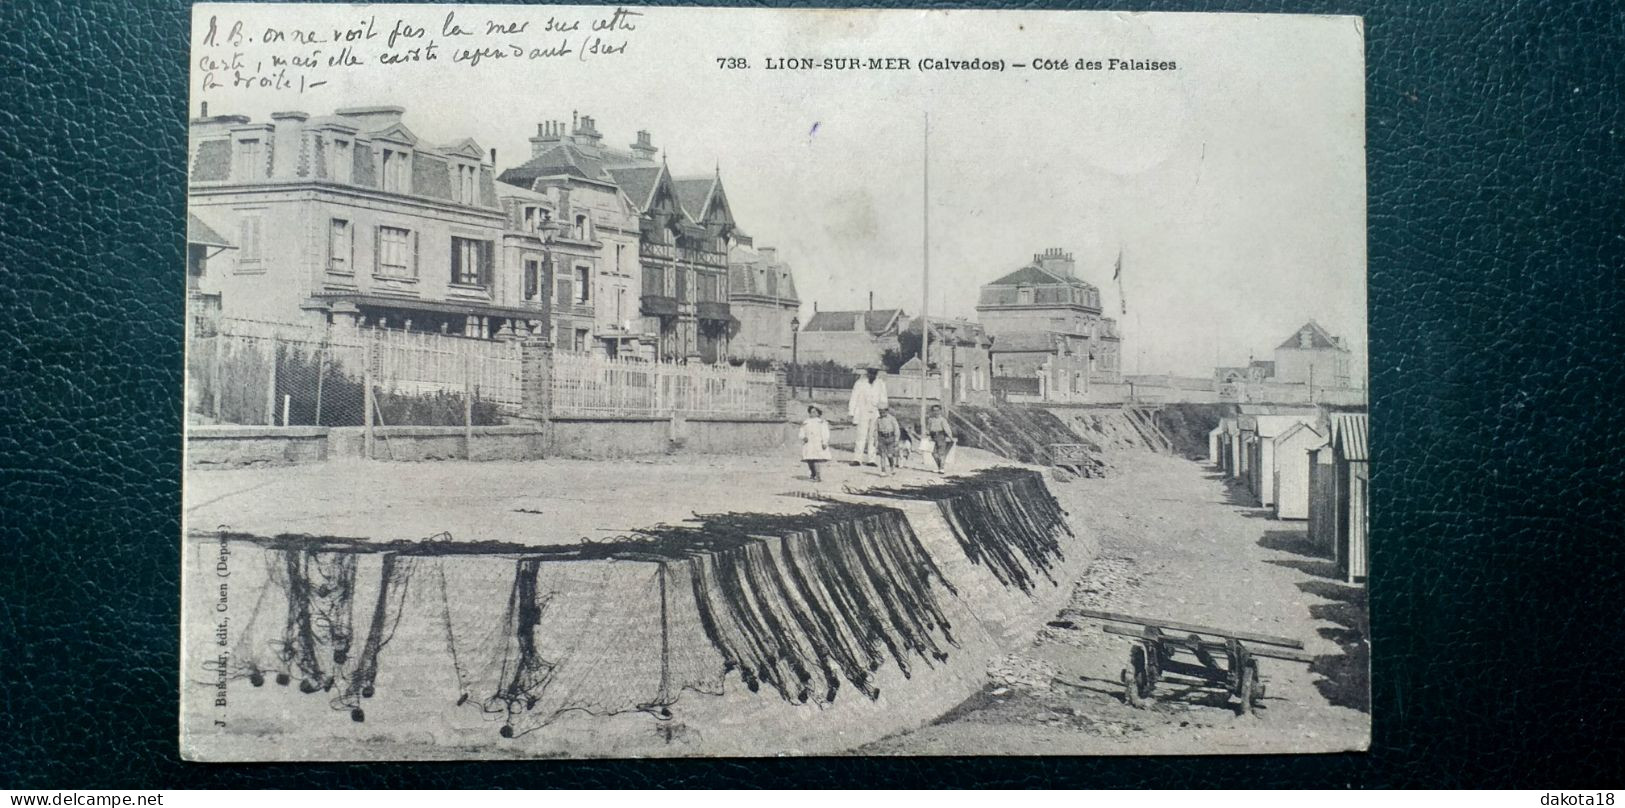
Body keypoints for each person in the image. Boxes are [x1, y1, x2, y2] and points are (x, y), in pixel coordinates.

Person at [847, 366, 889, 465]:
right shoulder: (860, 383)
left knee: (873, 437)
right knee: (861, 435)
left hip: (875, 412)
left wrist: (884, 413)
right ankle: (857, 459)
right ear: (867, 372)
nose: (872, 374)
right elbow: (853, 398)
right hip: (862, 412)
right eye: (871, 372)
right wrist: (851, 413)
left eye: (875, 372)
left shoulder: (880, 383)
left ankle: (872, 460)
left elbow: (884, 399)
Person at [800, 405, 831, 481]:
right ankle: (813, 473)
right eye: (811, 412)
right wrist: (803, 437)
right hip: (808, 443)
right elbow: (801, 431)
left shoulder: (821, 422)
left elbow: (825, 433)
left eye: (814, 412)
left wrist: (824, 442)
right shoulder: (806, 422)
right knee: (809, 460)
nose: (812, 413)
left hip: (817, 443)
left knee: (816, 459)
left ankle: (818, 475)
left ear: (818, 413)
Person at [924, 403, 955, 473]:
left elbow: (947, 429)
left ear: (940, 411)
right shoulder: (930, 419)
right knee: (933, 453)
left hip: (941, 436)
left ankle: (942, 468)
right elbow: (928, 428)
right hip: (932, 437)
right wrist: (927, 435)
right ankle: (939, 467)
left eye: (937, 410)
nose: (936, 412)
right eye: (934, 410)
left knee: (941, 453)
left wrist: (951, 437)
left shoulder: (942, 420)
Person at [874, 405, 901, 476]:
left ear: (887, 411)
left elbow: (896, 429)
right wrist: (875, 440)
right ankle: (883, 470)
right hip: (881, 438)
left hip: (890, 438)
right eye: (880, 412)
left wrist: (896, 439)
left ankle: (892, 467)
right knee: (882, 455)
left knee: (889, 455)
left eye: (883, 412)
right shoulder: (878, 420)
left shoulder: (892, 419)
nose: (881, 414)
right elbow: (876, 430)